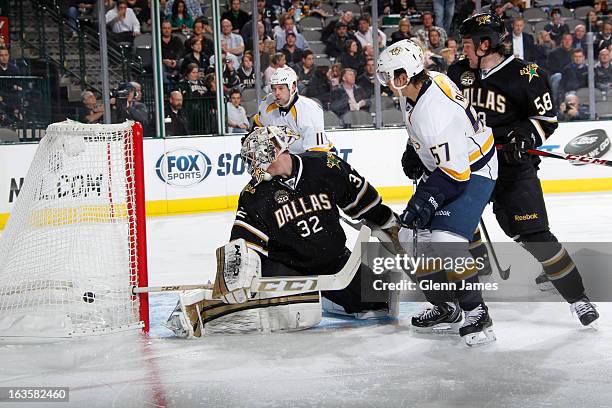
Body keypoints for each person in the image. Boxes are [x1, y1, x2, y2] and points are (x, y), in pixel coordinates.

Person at [165, 126, 400, 338]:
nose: (253, 166)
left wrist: (387, 222)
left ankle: (330, 299)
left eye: (255, 159)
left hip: (335, 262)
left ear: (274, 151)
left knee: (382, 300)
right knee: (286, 314)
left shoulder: (324, 165)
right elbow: (243, 244)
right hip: (287, 269)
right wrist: (231, 280)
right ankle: (203, 309)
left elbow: (362, 201)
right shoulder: (254, 194)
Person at [447, 12, 599, 327]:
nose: (461, 50)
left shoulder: (528, 73)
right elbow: (442, 116)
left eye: (466, 43)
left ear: (484, 44)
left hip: (513, 169)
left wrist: (525, 135)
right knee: (451, 228)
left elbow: (546, 120)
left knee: (535, 237)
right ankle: (471, 279)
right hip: (470, 166)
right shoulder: (457, 71)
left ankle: (577, 298)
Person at [376, 39, 498, 345]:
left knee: (444, 241)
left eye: (391, 76)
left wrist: (424, 201)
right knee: (408, 237)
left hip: (474, 169)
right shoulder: (425, 84)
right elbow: (434, 137)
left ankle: (476, 312)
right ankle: (446, 304)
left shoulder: (433, 114)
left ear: (405, 75)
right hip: (450, 164)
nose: (387, 82)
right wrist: (414, 149)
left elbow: (457, 175)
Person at [253, 66, 331, 153]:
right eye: (274, 89)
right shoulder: (267, 104)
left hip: (316, 157)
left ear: (293, 87)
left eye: (281, 88)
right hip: (286, 157)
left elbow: (317, 153)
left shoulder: (309, 110)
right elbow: (257, 126)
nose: (276, 93)